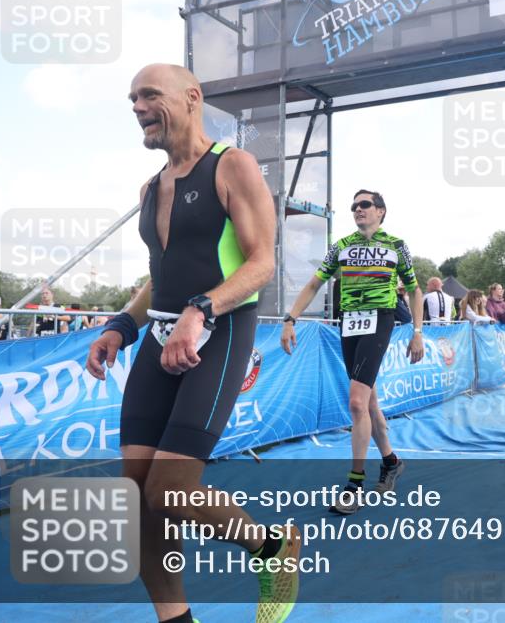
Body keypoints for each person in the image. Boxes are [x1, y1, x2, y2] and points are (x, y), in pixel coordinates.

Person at [84, 64, 294, 623]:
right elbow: (162, 275)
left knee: (169, 492)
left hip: (219, 332)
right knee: (136, 500)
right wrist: (120, 327)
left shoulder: (233, 165)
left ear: (192, 98)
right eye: (132, 99)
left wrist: (201, 310)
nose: (137, 107)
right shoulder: (151, 187)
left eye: (149, 95)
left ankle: (274, 548)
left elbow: (262, 262)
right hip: (159, 336)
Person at [281, 189, 424, 515]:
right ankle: (391, 461)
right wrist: (291, 319)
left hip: (381, 319)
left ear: (380, 211)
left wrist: (417, 332)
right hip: (350, 324)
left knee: (357, 402)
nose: (357, 210)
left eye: (364, 205)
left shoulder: (396, 246)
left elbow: (415, 291)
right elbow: (315, 284)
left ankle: (353, 485)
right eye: (354, 206)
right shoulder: (342, 247)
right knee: (369, 402)